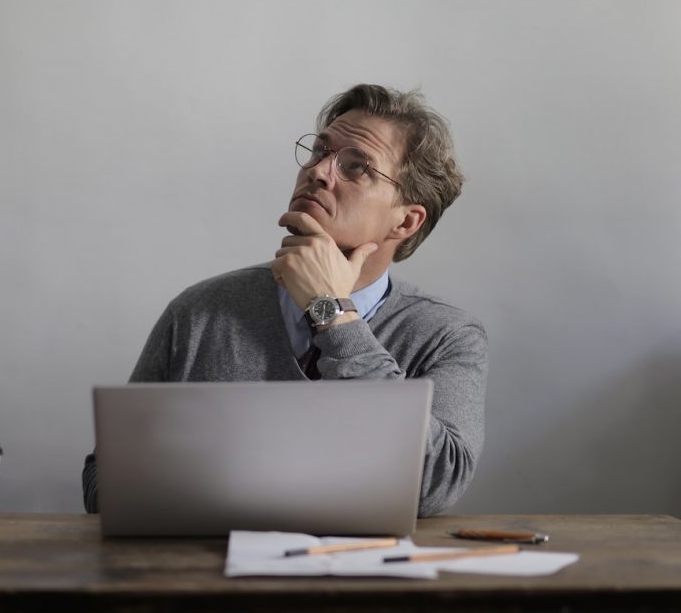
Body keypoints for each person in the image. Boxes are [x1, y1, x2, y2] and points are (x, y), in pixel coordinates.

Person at [82, 84, 486, 517]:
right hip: (207, 575)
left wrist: (332, 313)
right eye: (319, 151)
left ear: (406, 220)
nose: (319, 172)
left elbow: (435, 486)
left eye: (356, 167)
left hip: (362, 580)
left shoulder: (446, 335)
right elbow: (104, 485)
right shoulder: (200, 312)